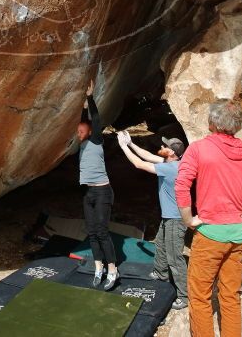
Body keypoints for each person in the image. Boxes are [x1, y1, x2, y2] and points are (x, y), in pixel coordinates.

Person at [175, 99, 242, 337]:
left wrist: (189, 220)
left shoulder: (199, 149)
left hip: (209, 236)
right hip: (236, 235)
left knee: (200, 297)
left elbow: (181, 186)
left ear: (213, 122)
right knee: (230, 296)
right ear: (237, 125)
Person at [116, 130, 189, 311]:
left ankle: (184, 295)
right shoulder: (173, 162)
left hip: (175, 219)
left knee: (175, 257)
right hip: (169, 216)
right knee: (161, 245)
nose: (162, 146)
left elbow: (139, 164)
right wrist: (131, 143)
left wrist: (123, 147)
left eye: (166, 146)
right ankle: (160, 273)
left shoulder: (170, 169)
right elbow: (148, 156)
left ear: (171, 153)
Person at [77, 79, 118, 290]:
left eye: (81, 131)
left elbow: (95, 120)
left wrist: (90, 98)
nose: (78, 134)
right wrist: (83, 108)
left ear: (90, 132)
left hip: (103, 192)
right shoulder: (83, 143)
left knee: (102, 231)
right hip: (89, 193)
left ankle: (112, 270)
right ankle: (98, 268)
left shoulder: (96, 140)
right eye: (77, 131)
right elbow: (83, 123)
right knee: (92, 232)